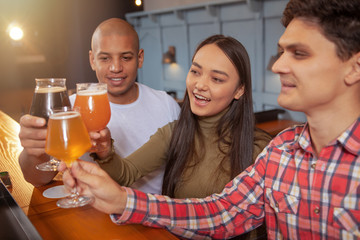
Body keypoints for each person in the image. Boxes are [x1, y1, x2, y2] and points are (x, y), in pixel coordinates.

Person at [61, 0, 360, 239]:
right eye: (282, 52)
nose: (278, 65)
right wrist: (122, 200)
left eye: (300, 54)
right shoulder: (281, 152)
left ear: (354, 67)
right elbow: (220, 212)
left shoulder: (262, 146)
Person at [62, 34, 271, 238]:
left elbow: (226, 217)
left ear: (239, 90)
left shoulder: (261, 148)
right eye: (195, 72)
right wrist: (105, 152)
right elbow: (125, 173)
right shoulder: (175, 132)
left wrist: (124, 201)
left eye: (216, 79)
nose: (200, 85)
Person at [18, 18, 181, 194]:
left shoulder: (167, 106)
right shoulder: (69, 110)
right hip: (90, 216)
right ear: (92, 60)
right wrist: (34, 151)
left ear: (140, 58)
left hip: (147, 216)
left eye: (126, 57)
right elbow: (37, 180)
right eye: (105, 58)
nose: (115, 67)